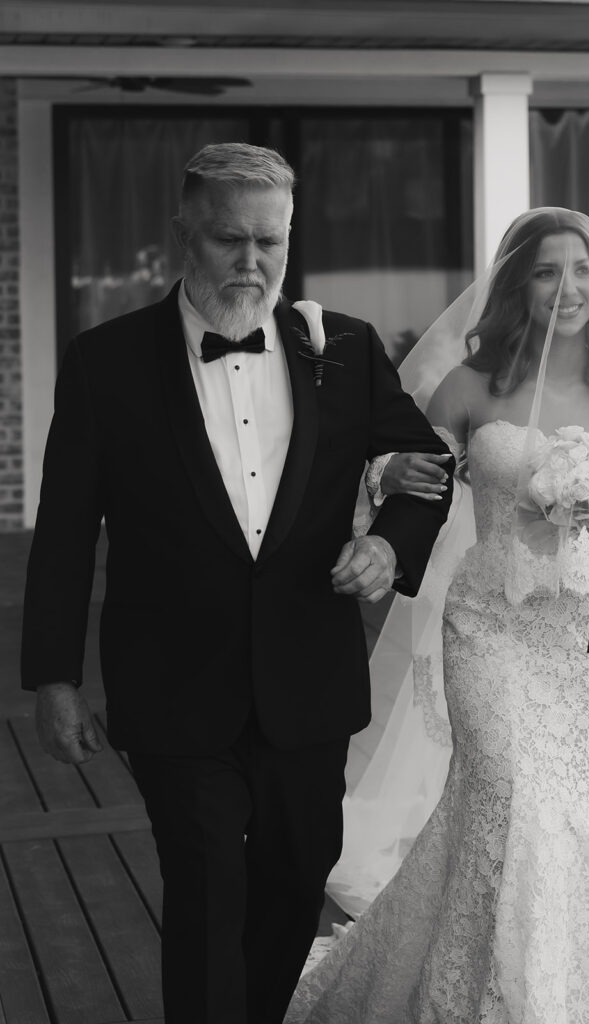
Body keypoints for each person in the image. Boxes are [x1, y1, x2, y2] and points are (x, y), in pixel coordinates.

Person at [20, 142, 454, 1024]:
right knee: (206, 891)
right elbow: (65, 529)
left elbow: (425, 463)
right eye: (228, 240)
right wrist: (54, 678)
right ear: (184, 233)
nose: (251, 262)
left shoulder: (346, 350)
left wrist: (390, 551)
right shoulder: (106, 361)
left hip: (308, 677)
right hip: (173, 685)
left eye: (271, 242)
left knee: (297, 880)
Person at [286, 208, 589, 1023]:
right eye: (547, 272)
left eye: (582, 271)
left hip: (588, 640)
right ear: (518, 285)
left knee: (584, 808)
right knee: (509, 794)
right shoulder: (470, 385)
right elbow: (406, 481)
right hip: (488, 628)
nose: (569, 289)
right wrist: (380, 484)